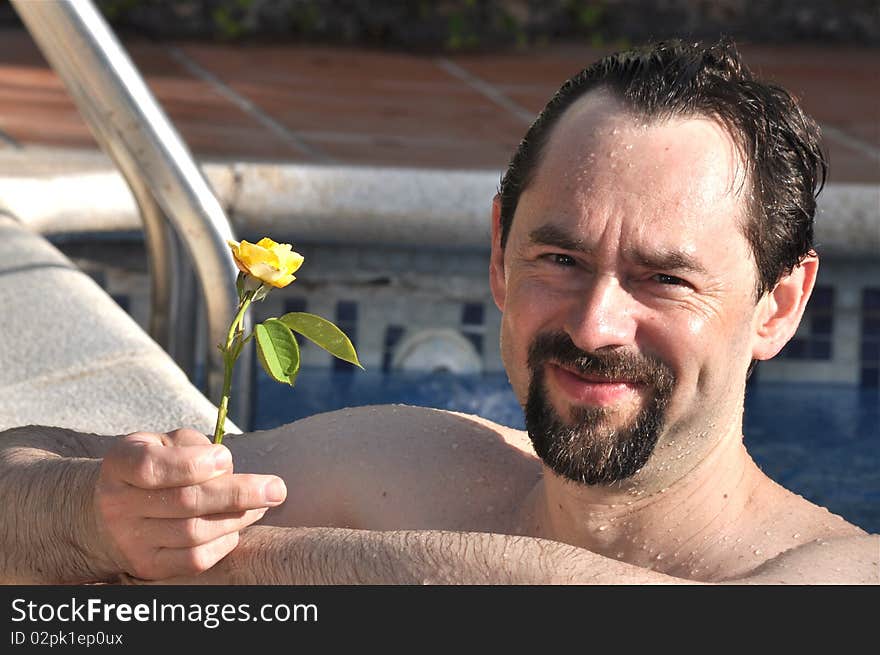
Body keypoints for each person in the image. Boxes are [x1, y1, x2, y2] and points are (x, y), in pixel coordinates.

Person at [1, 39, 877, 585]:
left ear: (779, 305)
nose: (595, 323)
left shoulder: (839, 574)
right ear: (500, 253)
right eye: (560, 258)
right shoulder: (413, 468)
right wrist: (94, 511)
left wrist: (243, 572)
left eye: (664, 280)